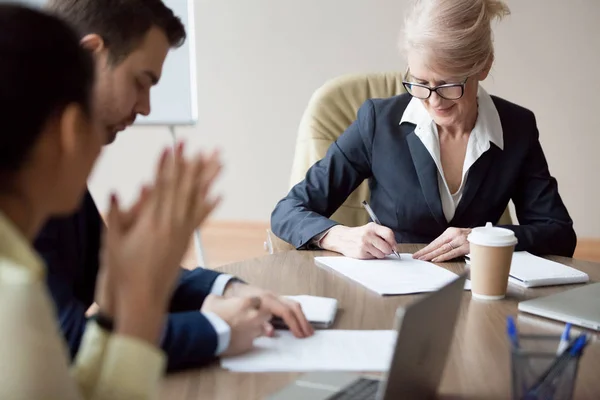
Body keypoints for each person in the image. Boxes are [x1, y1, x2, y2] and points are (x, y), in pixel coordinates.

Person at [37, 0, 313, 372]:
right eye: (142, 81)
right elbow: (61, 344)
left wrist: (230, 291)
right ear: (90, 55)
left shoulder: (53, 167)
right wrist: (218, 329)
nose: (147, 107)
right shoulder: (23, 179)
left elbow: (114, 269)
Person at [0, 5, 234, 399]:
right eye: (142, 83)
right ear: (72, 131)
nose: (144, 109)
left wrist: (115, 313)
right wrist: (142, 306)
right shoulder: (15, 295)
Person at [271, 0, 576, 262]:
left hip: (477, 295)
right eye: (419, 82)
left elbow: (559, 233)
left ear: (483, 66)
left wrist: (484, 239)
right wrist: (337, 236)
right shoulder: (378, 122)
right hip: (389, 292)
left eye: (447, 85)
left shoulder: (517, 128)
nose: (433, 100)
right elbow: (288, 211)